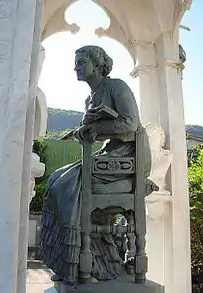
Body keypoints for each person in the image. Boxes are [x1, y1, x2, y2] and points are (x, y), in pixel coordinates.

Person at [40, 45, 152, 285]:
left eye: (81, 62)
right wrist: (86, 129)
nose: (76, 67)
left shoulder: (116, 86)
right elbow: (96, 134)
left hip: (128, 157)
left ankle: (81, 262)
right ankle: (78, 261)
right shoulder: (91, 97)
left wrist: (93, 127)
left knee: (67, 185)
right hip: (108, 155)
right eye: (76, 62)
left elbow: (130, 123)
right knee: (55, 179)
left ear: (97, 64)